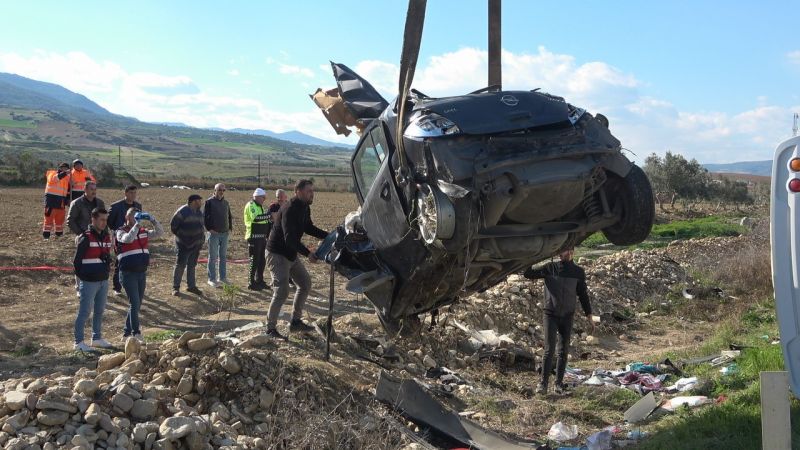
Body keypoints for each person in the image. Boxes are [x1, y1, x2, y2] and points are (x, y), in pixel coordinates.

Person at [523, 248, 594, 394]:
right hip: (550, 314)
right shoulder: (550, 267)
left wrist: (589, 316)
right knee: (549, 350)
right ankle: (543, 384)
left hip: (567, 316)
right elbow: (528, 274)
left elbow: (583, 294)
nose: (561, 253)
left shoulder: (578, 272)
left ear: (571, 251)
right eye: (560, 251)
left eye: (564, 250)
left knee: (563, 351)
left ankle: (558, 384)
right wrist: (533, 256)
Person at [265, 179, 328, 339]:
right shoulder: (289, 209)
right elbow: (289, 238)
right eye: (309, 191)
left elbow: (308, 227)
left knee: (305, 284)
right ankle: (270, 329)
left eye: (312, 191)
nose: (312, 194)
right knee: (282, 291)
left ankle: (295, 322)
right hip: (277, 254)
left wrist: (328, 236)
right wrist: (308, 253)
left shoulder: (305, 207)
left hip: (291, 254)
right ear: (298, 192)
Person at [115, 208, 164, 342]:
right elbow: (128, 239)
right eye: (133, 216)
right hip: (128, 273)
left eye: (138, 216)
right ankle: (136, 333)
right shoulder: (120, 231)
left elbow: (160, 232)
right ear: (127, 217)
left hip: (141, 271)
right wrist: (136, 225)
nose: (136, 218)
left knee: (136, 304)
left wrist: (153, 220)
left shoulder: (143, 232)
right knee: (135, 303)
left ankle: (126, 333)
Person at [73, 207, 113, 351]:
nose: (104, 223)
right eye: (101, 220)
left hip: (103, 280)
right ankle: (78, 342)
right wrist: (84, 278)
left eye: (106, 220)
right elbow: (76, 262)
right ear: (93, 219)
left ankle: (96, 338)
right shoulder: (85, 237)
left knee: (99, 311)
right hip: (89, 282)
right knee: (84, 312)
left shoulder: (106, 236)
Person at [67, 181, 106, 295]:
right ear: (85, 190)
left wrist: (105, 234)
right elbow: (70, 220)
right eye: (91, 189)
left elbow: (104, 219)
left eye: (95, 189)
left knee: (98, 260)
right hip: (83, 237)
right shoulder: (77, 203)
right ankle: (79, 287)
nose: (94, 191)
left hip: (98, 237)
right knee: (81, 261)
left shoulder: (100, 203)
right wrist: (81, 234)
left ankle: (96, 285)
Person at [108, 185, 142, 296]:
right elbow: (110, 222)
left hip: (134, 237)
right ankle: (117, 287)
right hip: (120, 238)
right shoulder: (116, 206)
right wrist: (118, 231)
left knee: (133, 262)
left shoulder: (138, 206)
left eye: (135, 193)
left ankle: (131, 285)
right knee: (120, 262)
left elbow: (138, 221)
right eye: (131, 193)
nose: (133, 195)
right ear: (126, 193)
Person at [170, 194, 205, 296]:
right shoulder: (182, 211)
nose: (200, 203)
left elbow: (201, 226)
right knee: (180, 265)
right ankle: (175, 287)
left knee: (192, 266)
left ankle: (191, 286)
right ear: (193, 202)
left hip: (196, 245)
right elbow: (173, 226)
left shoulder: (199, 212)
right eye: (199, 201)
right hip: (183, 245)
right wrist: (183, 237)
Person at [204, 183, 233, 288]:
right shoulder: (209, 202)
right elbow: (205, 217)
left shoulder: (226, 203)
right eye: (220, 190)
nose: (221, 192)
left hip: (224, 233)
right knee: (212, 257)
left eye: (223, 190)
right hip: (214, 234)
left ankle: (223, 278)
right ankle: (211, 279)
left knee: (223, 257)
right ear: (215, 190)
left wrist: (229, 228)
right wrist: (209, 229)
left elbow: (229, 216)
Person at [243, 188, 270, 291]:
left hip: (261, 237)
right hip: (253, 236)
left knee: (262, 260)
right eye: (263, 197)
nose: (264, 199)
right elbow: (256, 218)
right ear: (257, 197)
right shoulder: (251, 205)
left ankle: (259, 280)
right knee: (254, 260)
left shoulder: (260, 206)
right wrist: (269, 215)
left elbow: (264, 220)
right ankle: (251, 282)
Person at [42, 162, 71, 239]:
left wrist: (68, 199)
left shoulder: (67, 177)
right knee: (48, 220)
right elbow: (54, 179)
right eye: (63, 167)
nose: (65, 169)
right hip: (51, 201)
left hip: (61, 202)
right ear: (60, 168)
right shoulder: (52, 173)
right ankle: (46, 237)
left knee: (60, 220)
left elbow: (68, 190)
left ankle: (59, 236)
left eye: (66, 168)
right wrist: (65, 173)